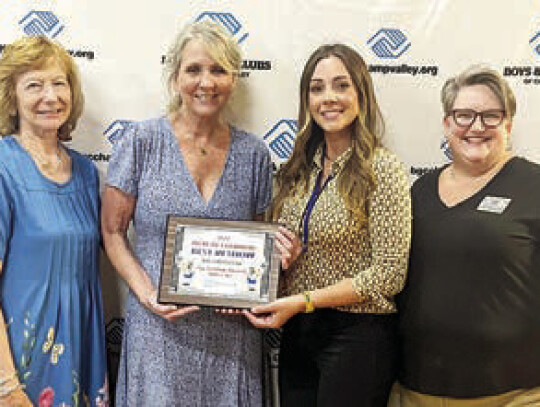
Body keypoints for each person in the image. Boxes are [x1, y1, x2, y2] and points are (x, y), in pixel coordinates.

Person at [101, 21, 272, 406]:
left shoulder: (255, 154)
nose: (206, 82)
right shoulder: (142, 142)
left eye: (218, 70)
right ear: (175, 77)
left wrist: (267, 271)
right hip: (158, 330)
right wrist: (145, 292)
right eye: (194, 69)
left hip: (231, 339)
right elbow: (112, 232)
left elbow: (261, 245)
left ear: (233, 79)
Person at [245, 44, 411, 407]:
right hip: (299, 332)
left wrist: (304, 301)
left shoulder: (381, 169)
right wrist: (279, 263)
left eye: (341, 85)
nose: (328, 98)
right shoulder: (297, 171)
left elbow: (389, 274)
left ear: (361, 94)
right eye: (316, 88)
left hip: (358, 336)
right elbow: (287, 258)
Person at [398, 65, 540, 406]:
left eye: (490, 116)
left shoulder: (534, 185)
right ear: (447, 123)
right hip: (420, 388)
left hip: (514, 392)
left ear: (508, 124)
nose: (476, 127)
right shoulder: (420, 190)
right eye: (464, 115)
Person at [0, 36, 108, 406]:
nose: (50, 96)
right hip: (21, 357)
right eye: (34, 85)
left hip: (83, 348)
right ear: (12, 98)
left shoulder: (85, 171)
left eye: (59, 83)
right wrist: (6, 385)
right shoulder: (3, 165)